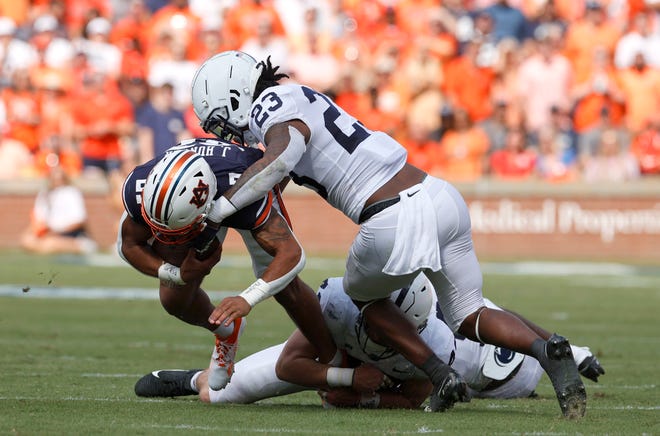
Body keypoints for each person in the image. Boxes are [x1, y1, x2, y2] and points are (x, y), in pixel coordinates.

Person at [189, 50, 588, 418]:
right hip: (438, 194)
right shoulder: (298, 96)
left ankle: (439, 374)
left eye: (222, 120)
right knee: (468, 314)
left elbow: (285, 152)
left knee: (362, 298)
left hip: (392, 214)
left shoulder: (269, 105)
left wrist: (218, 211)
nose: (228, 132)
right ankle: (548, 348)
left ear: (237, 93)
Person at [134, 275, 604, 408]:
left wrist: (370, 399)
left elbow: (422, 390)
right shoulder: (342, 303)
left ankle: (197, 382)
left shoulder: (440, 346)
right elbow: (290, 364)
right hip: (335, 351)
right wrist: (347, 376)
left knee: (499, 336)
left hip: (482, 370)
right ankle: (191, 378)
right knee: (220, 393)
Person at [117, 138, 336, 392]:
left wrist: (247, 299)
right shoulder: (141, 184)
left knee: (285, 287)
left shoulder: (246, 194)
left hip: (236, 188)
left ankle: (332, 359)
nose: (165, 238)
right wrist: (174, 274)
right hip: (196, 197)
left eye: (177, 231)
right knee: (173, 299)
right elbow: (129, 245)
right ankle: (226, 330)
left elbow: (291, 254)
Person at [21, 164, 97, 255]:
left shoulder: (72, 193)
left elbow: (79, 221)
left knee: (51, 243)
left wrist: (56, 231)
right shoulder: (44, 194)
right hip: (48, 234)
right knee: (27, 240)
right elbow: (39, 219)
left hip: (70, 236)